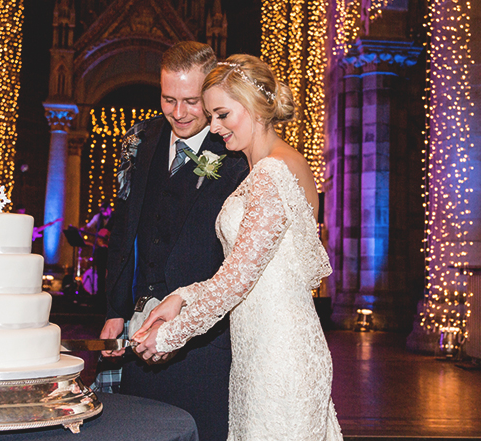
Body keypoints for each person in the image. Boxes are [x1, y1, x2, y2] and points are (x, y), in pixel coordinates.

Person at [133, 54, 344, 440]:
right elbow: (248, 269)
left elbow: (237, 278)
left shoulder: (271, 173)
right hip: (259, 348)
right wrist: (180, 296)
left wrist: (170, 335)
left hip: (278, 355)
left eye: (223, 114)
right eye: (212, 115)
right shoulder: (274, 166)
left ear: (252, 106)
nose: (214, 127)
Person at [99, 42, 248, 441]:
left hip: (206, 342)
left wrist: (189, 320)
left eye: (191, 101)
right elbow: (124, 226)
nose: (178, 113)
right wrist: (116, 307)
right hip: (139, 332)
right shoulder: (141, 137)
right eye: (168, 99)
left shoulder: (234, 148)